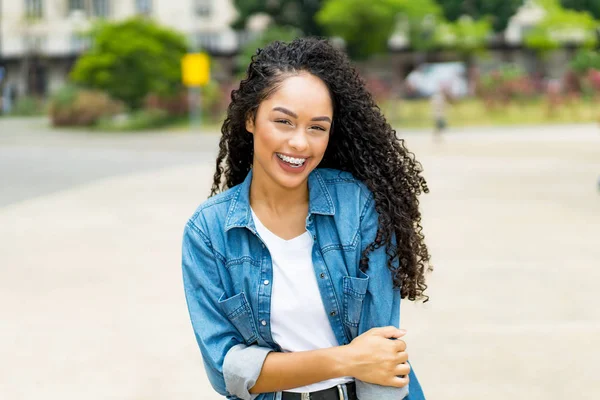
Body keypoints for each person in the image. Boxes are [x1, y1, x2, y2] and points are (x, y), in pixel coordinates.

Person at [182, 37, 432, 400]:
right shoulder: (208, 232)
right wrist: (345, 359)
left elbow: (380, 356)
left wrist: (277, 367)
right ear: (250, 118)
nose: (300, 143)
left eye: (317, 127)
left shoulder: (357, 207)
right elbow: (229, 372)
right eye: (284, 121)